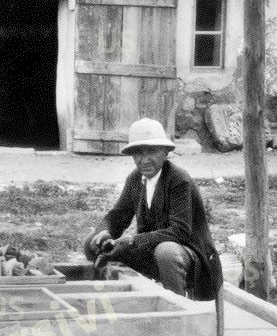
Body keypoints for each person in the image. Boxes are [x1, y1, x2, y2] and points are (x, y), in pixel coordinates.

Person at [83, 118, 223, 300]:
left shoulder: (178, 180)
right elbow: (117, 216)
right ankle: (119, 300)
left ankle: (177, 308)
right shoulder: (135, 179)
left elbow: (179, 232)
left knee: (166, 252)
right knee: (91, 242)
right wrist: (104, 232)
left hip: (189, 254)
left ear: (165, 152)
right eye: (138, 153)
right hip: (151, 250)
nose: (144, 160)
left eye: (152, 152)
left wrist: (132, 241)